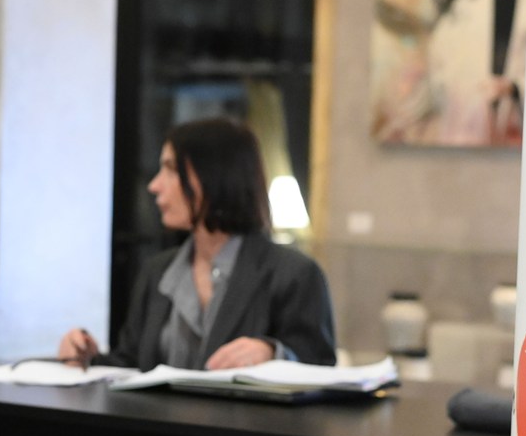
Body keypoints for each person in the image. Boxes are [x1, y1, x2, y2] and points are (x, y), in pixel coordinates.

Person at [59, 118, 336, 371]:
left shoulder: (295, 274)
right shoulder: (157, 271)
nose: (154, 185)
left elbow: (318, 366)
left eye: (171, 169)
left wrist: (272, 354)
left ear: (213, 175)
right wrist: (88, 357)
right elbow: (133, 365)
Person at [426, 0, 526, 146]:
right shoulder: (465, 7)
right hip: (470, 123)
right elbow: (442, 62)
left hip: (515, 127)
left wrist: (512, 87)